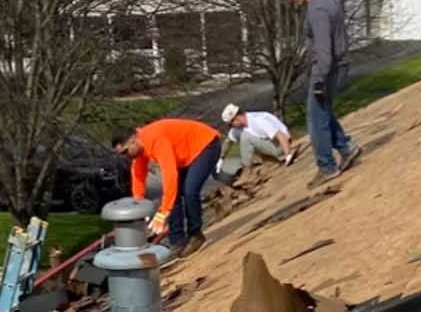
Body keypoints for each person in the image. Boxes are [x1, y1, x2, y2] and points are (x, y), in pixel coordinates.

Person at [282, 0, 361, 184]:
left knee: (315, 120)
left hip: (326, 69)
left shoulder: (317, 9)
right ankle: (347, 148)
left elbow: (324, 47)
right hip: (339, 65)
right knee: (323, 113)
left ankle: (326, 167)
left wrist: (318, 79)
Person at [111, 118, 221, 258]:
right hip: (186, 155)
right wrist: (137, 208)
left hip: (206, 145)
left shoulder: (155, 139)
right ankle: (177, 241)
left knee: (189, 191)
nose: (126, 156)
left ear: (133, 140)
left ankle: (196, 235)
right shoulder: (140, 148)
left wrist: (163, 212)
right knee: (171, 197)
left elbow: (170, 175)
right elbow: (138, 176)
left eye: (125, 152)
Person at [220, 103, 296, 179]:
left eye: (231, 124)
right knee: (246, 137)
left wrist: (288, 155)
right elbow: (228, 141)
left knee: (246, 138)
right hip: (271, 144)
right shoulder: (240, 127)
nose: (231, 126)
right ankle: (271, 162)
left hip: (282, 145)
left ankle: (247, 171)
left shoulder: (258, 120)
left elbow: (280, 135)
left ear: (236, 118)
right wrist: (221, 158)